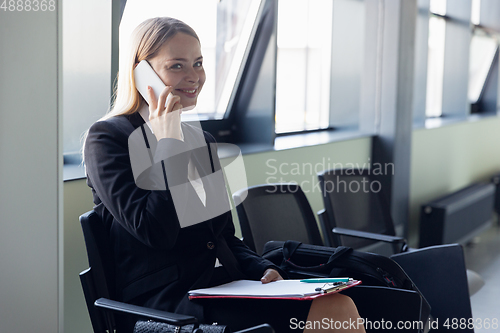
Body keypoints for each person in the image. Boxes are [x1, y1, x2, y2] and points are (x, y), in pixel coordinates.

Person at [84, 17, 365, 333]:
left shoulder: (202, 141)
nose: (194, 77)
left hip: (223, 285)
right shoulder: (108, 139)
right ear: (141, 73)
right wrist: (169, 145)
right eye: (177, 66)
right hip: (167, 304)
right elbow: (155, 231)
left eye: (198, 63)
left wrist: (264, 268)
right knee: (332, 310)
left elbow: (223, 236)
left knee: (341, 303)